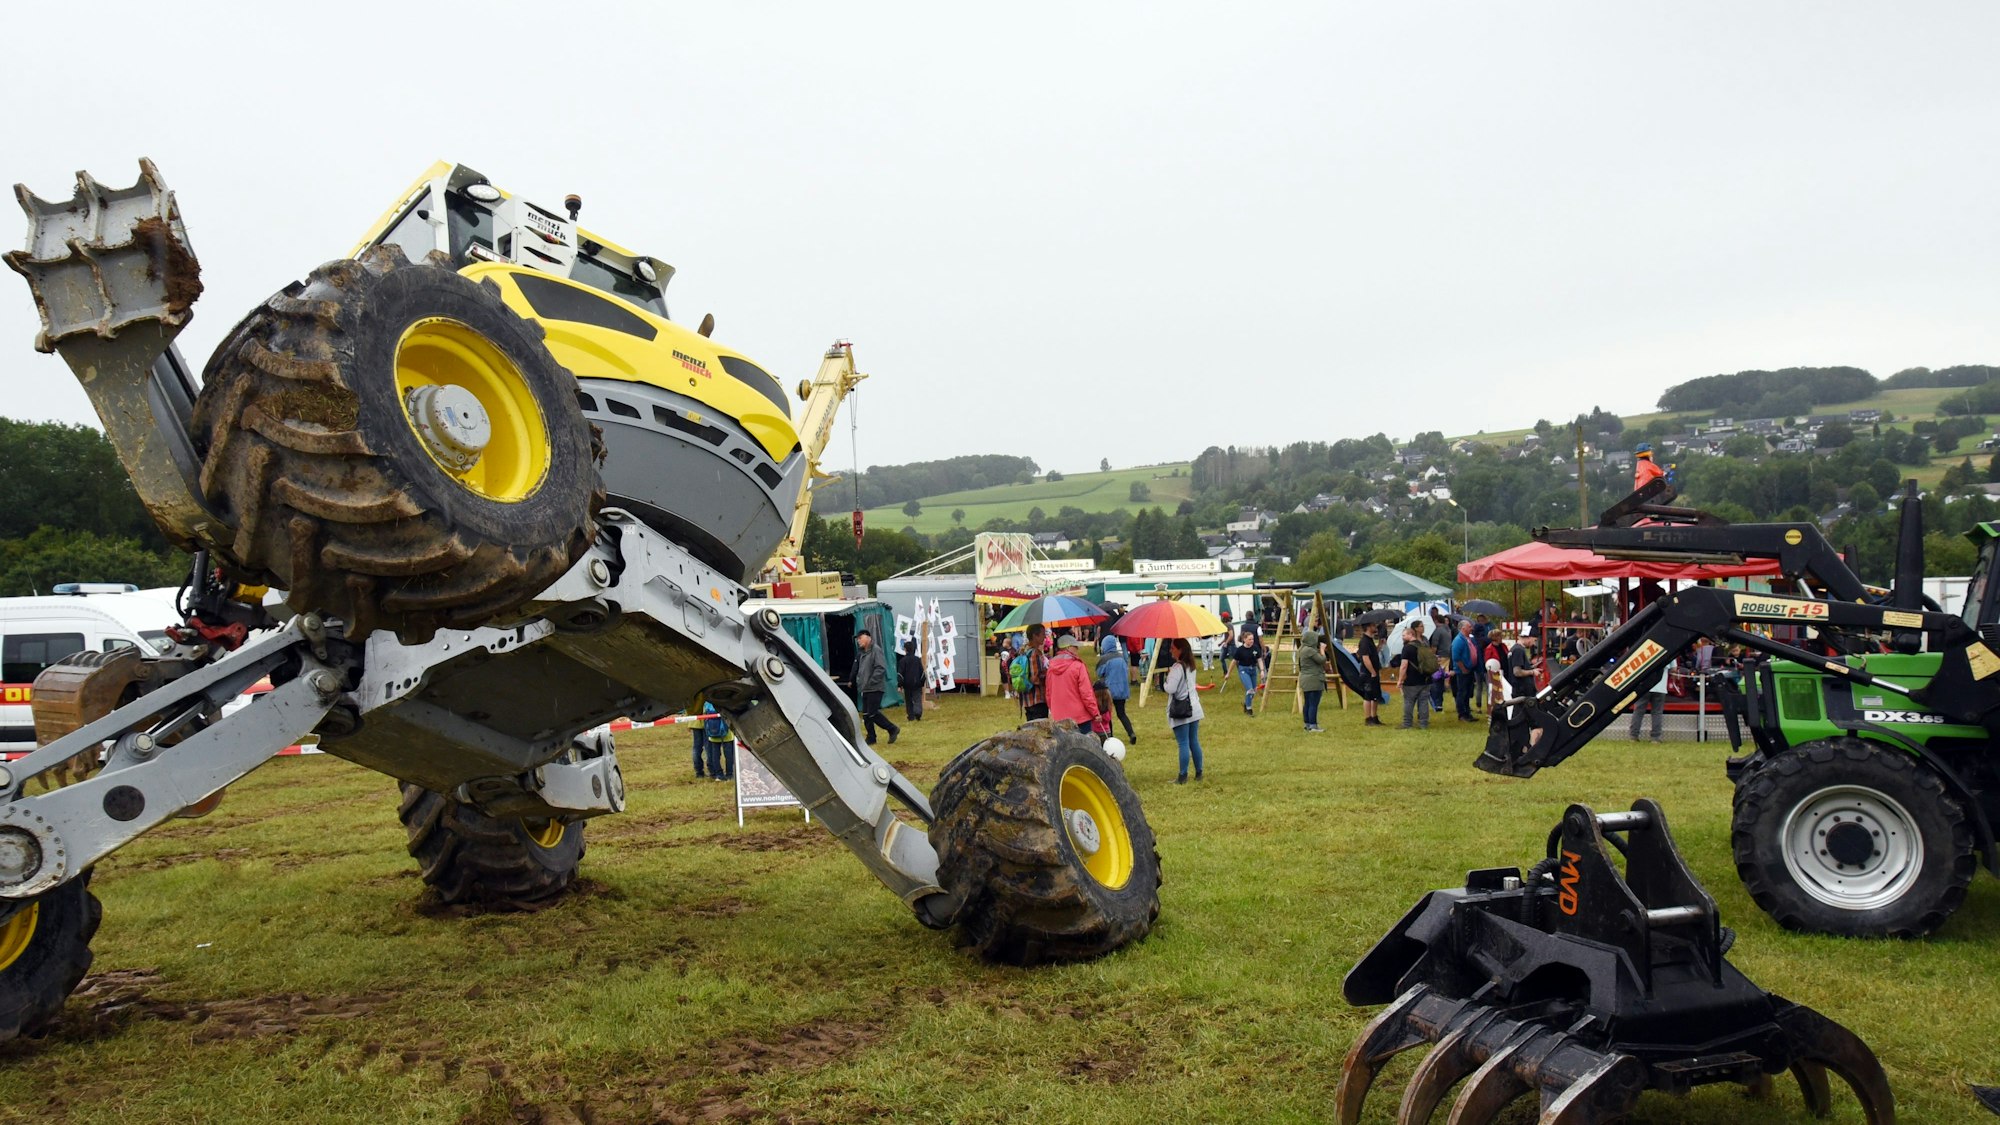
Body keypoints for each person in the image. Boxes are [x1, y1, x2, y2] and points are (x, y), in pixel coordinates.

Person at [1164, 638, 1206, 783]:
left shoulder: (1177, 668)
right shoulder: (1190, 665)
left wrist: (1165, 681)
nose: (1170, 650)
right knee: (1193, 740)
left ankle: (1182, 776)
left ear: (1180, 650)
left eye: (1173, 648)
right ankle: (1199, 772)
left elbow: (1171, 689)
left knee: (1183, 743)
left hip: (1181, 710)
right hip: (1194, 706)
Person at [1046, 634, 1103, 731]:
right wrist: (1095, 713)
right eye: (1075, 647)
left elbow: (1048, 694)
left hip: (1059, 718)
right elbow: (1086, 693)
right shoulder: (1078, 666)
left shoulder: (1050, 668)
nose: (1077, 649)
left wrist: (1054, 711)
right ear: (1068, 648)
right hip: (1080, 718)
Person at [853, 629, 899, 745]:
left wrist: (872, 681)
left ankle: (892, 728)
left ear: (868, 637)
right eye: (857, 639)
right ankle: (871, 737)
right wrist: (860, 682)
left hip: (875, 687)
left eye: (860, 638)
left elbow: (880, 668)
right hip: (865, 688)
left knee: (873, 713)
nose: (858, 641)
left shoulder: (876, 650)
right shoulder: (863, 653)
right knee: (866, 715)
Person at [1097, 633, 1138, 743]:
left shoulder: (1104, 659)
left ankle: (1110, 736)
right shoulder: (1121, 657)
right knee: (1122, 713)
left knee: (1107, 715)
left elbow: (1100, 672)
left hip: (1109, 691)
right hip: (1122, 690)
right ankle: (1131, 733)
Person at [1397, 623, 1434, 729]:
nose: (1402, 638)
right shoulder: (1424, 645)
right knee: (1423, 702)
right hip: (1426, 679)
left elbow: (1404, 666)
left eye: (1404, 635)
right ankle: (1423, 723)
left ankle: (1407, 723)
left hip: (1412, 680)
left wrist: (1400, 680)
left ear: (1410, 634)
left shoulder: (1407, 648)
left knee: (1409, 701)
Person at [1297, 623, 1328, 732]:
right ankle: (1313, 725)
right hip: (1314, 679)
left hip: (1305, 679)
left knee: (1308, 703)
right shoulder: (1310, 650)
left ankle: (1307, 723)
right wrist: (1322, 650)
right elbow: (1322, 660)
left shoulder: (1302, 649)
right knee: (1313, 703)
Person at [1229, 626, 1265, 714]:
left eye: (1252, 639)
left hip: (1253, 670)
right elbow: (1233, 662)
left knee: (1254, 691)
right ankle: (1249, 709)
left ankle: (1246, 703)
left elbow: (1259, 660)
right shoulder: (1240, 650)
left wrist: (1262, 670)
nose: (1251, 641)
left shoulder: (1255, 648)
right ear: (1244, 639)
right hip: (1243, 670)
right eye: (1249, 639)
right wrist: (1228, 673)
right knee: (1250, 690)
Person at [1629, 662, 1668, 741]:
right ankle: (1655, 738)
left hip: (1644, 686)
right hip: (1660, 688)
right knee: (1657, 712)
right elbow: (1674, 669)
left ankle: (1633, 736)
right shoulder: (1669, 652)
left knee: (1638, 711)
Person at [1356, 621, 1384, 726]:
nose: (1375, 627)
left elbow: (1372, 654)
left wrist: (1380, 646)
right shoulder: (1364, 641)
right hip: (1367, 673)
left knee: (1375, 695)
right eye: (1373, 625)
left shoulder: (1370, 640)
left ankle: (1374, 717)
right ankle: (1368, 718)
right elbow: (1365, 658)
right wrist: (1372, 672)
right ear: (1368, 627)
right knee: (1368, 695)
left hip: (1374, 672)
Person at [1020, 623, 1050, 721]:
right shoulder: (1034, 653)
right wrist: (1047, 674)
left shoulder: (1023, 650)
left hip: (1026, 699)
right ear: (1034, 636)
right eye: (1042, 634)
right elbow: (1034, 678)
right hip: (1037, 699)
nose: (1045, 637)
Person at [1450, 621, 1479, 721]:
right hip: (1462, 671)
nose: (1471, 628)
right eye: (1469, 627)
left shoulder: (1469, 639)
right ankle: (1462, 714)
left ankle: (1467, 712)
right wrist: (1463, 669)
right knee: (1462, 692)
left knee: (1467, 692)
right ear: (1463, 628)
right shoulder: (1458, 640)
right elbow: (1456, 657)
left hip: (1470, 669)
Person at [1427, 610, 1454, 713]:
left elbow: (1434, 646)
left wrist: (1431, 657)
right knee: (1442, 680)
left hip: (1440, 657)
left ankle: (1436, 703)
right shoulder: (1448, 630)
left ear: (1436, 620)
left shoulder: (1438, 631)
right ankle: (1440, 702)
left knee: (1436, 680)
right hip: (1447, 656)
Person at [701, 701, 735, 781]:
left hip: (712, 734)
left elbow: (704, 716)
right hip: (727, 733)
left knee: (715, 755)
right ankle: (729, 774)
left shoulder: (707, 703)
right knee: (729, 755)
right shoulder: (725, 700)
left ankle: (719, 775)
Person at [898, 640, 927, 722]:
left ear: (905, 649)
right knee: (917, 699)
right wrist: (922, 682)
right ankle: (918, 713)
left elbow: (900, 674)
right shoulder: (917, 660)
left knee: (908, 700)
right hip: (917, 683)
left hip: (906, 684)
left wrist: (899, 685)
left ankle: (911, 716)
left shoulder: (902, 661)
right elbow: (922, 672)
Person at [1506, 634, 1538, 701]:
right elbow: (1517, 672)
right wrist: (1532, 672)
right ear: (1529, 638)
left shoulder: (1515, 649)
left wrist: (1531, 667)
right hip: (1522, 692)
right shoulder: (1518, 650)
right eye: (1534, 640)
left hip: (1520, 691)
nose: (1534, 644)